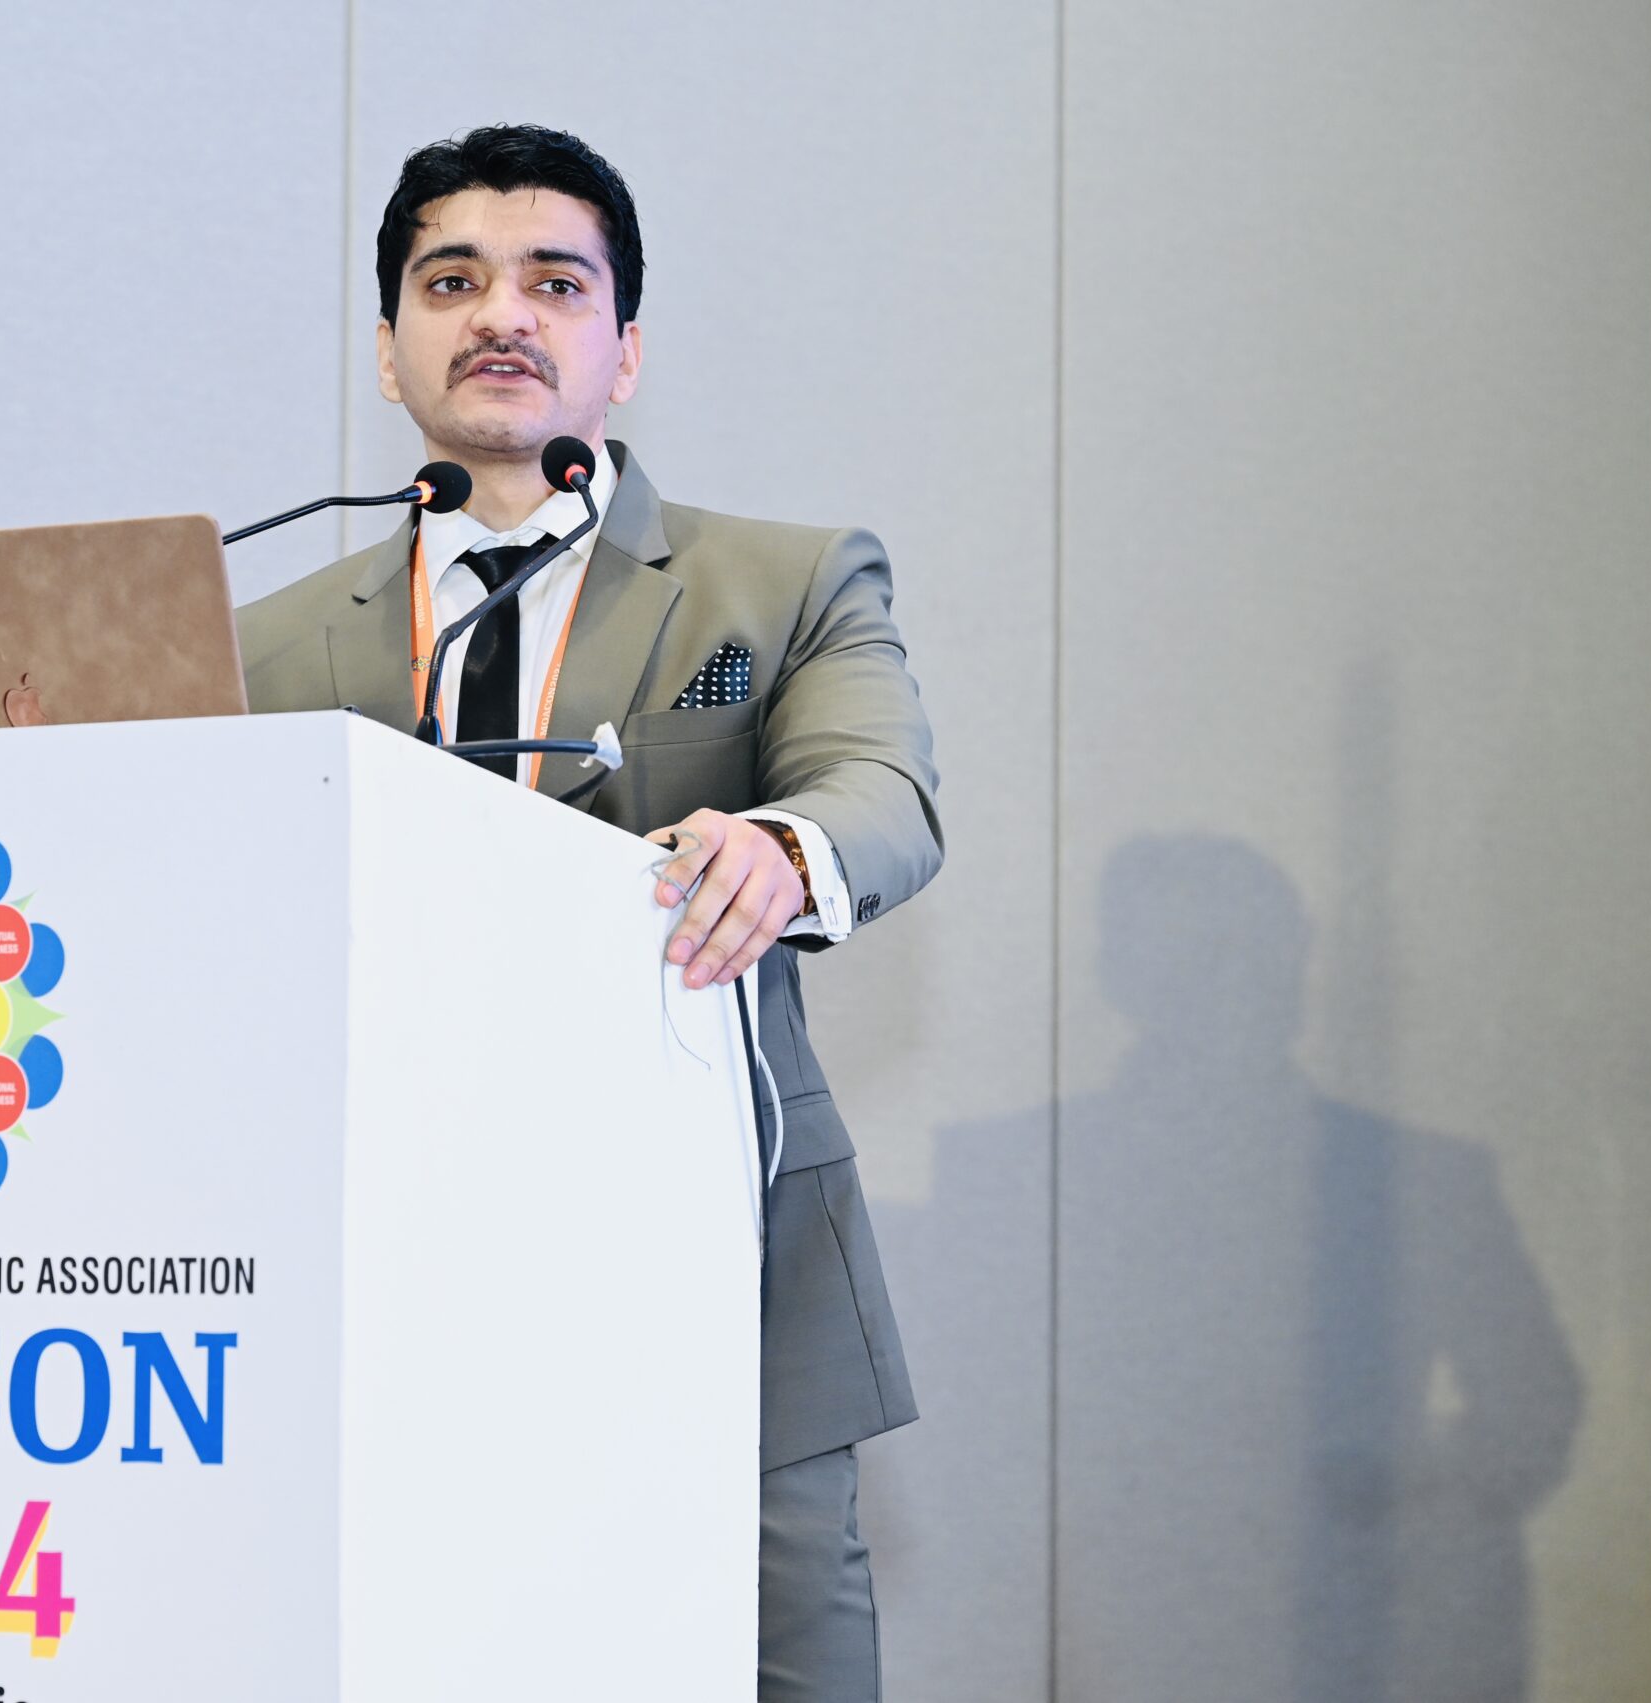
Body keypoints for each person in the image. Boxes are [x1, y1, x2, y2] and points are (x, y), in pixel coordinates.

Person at [234, 124, 943, 1702]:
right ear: (387, 350)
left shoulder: (781, 586)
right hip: (388, 1270)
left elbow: (881, 791)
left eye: (556, 283)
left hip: (718, 1258)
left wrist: (782, 847)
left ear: (624, 352)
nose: (503, 313)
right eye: (452, 282)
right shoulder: (263, 644)